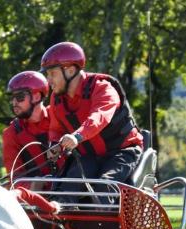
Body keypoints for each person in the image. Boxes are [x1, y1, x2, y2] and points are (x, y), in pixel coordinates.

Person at [41, 42, 143, 186]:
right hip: (89, 156)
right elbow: (56, 129)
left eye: (52, 74)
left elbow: (99, 116)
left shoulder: (102, 88)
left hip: (122, 152)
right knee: (64, 189)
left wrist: (77, 136)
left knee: (104, 187)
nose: (48, 80)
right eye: (47, 75)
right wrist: (55, 145)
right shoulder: (57, 99)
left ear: (70, 71)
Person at [2, 71, 65, 185]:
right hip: (37, 197)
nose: (14, 102)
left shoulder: (60, 114)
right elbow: (15, 178)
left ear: (36, 96)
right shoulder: (11, 133)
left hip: (73, 187)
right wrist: (34, 185)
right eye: (12, 98)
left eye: (20, 97)